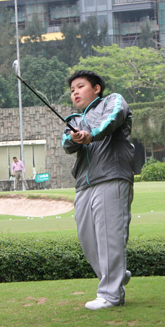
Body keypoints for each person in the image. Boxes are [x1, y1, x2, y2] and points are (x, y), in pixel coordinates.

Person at [61, 70, 135, 310]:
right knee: (88, 240)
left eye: (80, 87)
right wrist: (75, 137)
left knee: (109, 236)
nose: (75, 93)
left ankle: (111, 295)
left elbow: (112, 119)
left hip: (112, 177)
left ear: (96, 88)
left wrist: (90, 134)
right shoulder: (74, 120)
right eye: (72, 90)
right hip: (84, 184)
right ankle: (116, 275)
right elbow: (66, 143)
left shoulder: (112, 101)